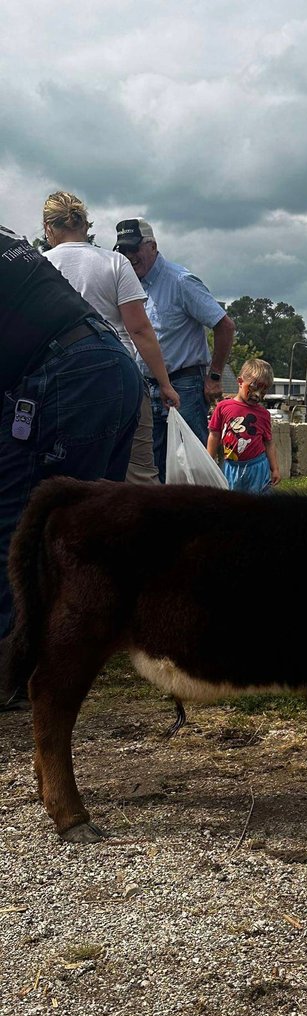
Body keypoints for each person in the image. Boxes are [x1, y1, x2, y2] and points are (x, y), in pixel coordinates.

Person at [0, 223, 143, 686]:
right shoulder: (9, 241)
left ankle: (14, 668)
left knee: (21, 524)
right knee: (85, 528)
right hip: (109, 365)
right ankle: (86, 643)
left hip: (64, 375)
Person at [41, 191, 180, 485]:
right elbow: (140, 330)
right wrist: (164, 384)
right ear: (86, 226)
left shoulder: (40, 267)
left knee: (62, 474)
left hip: (59, 382)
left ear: (47, 228)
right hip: (119, 378)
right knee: (139, 473)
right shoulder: (116, 263)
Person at [114, 218, 235, 480]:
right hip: (146, 388)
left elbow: (224, 326)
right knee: (152, 467)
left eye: (134, 248)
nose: (129, 256)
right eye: (123, 250)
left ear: (153, 246)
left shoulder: (180, 281)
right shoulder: (130, 286)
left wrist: (214, 376)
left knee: (192, 466)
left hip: (184, 386)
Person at [207, 358, 281, 492]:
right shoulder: (223, 407)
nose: (257, 395)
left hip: (257, 467)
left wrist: (274, 468)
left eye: (263, 392)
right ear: (240, 382)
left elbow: (269, 442)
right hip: (231, 466)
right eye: (253, 388)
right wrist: (209, 460)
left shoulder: (264, 414)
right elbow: (214, 435)